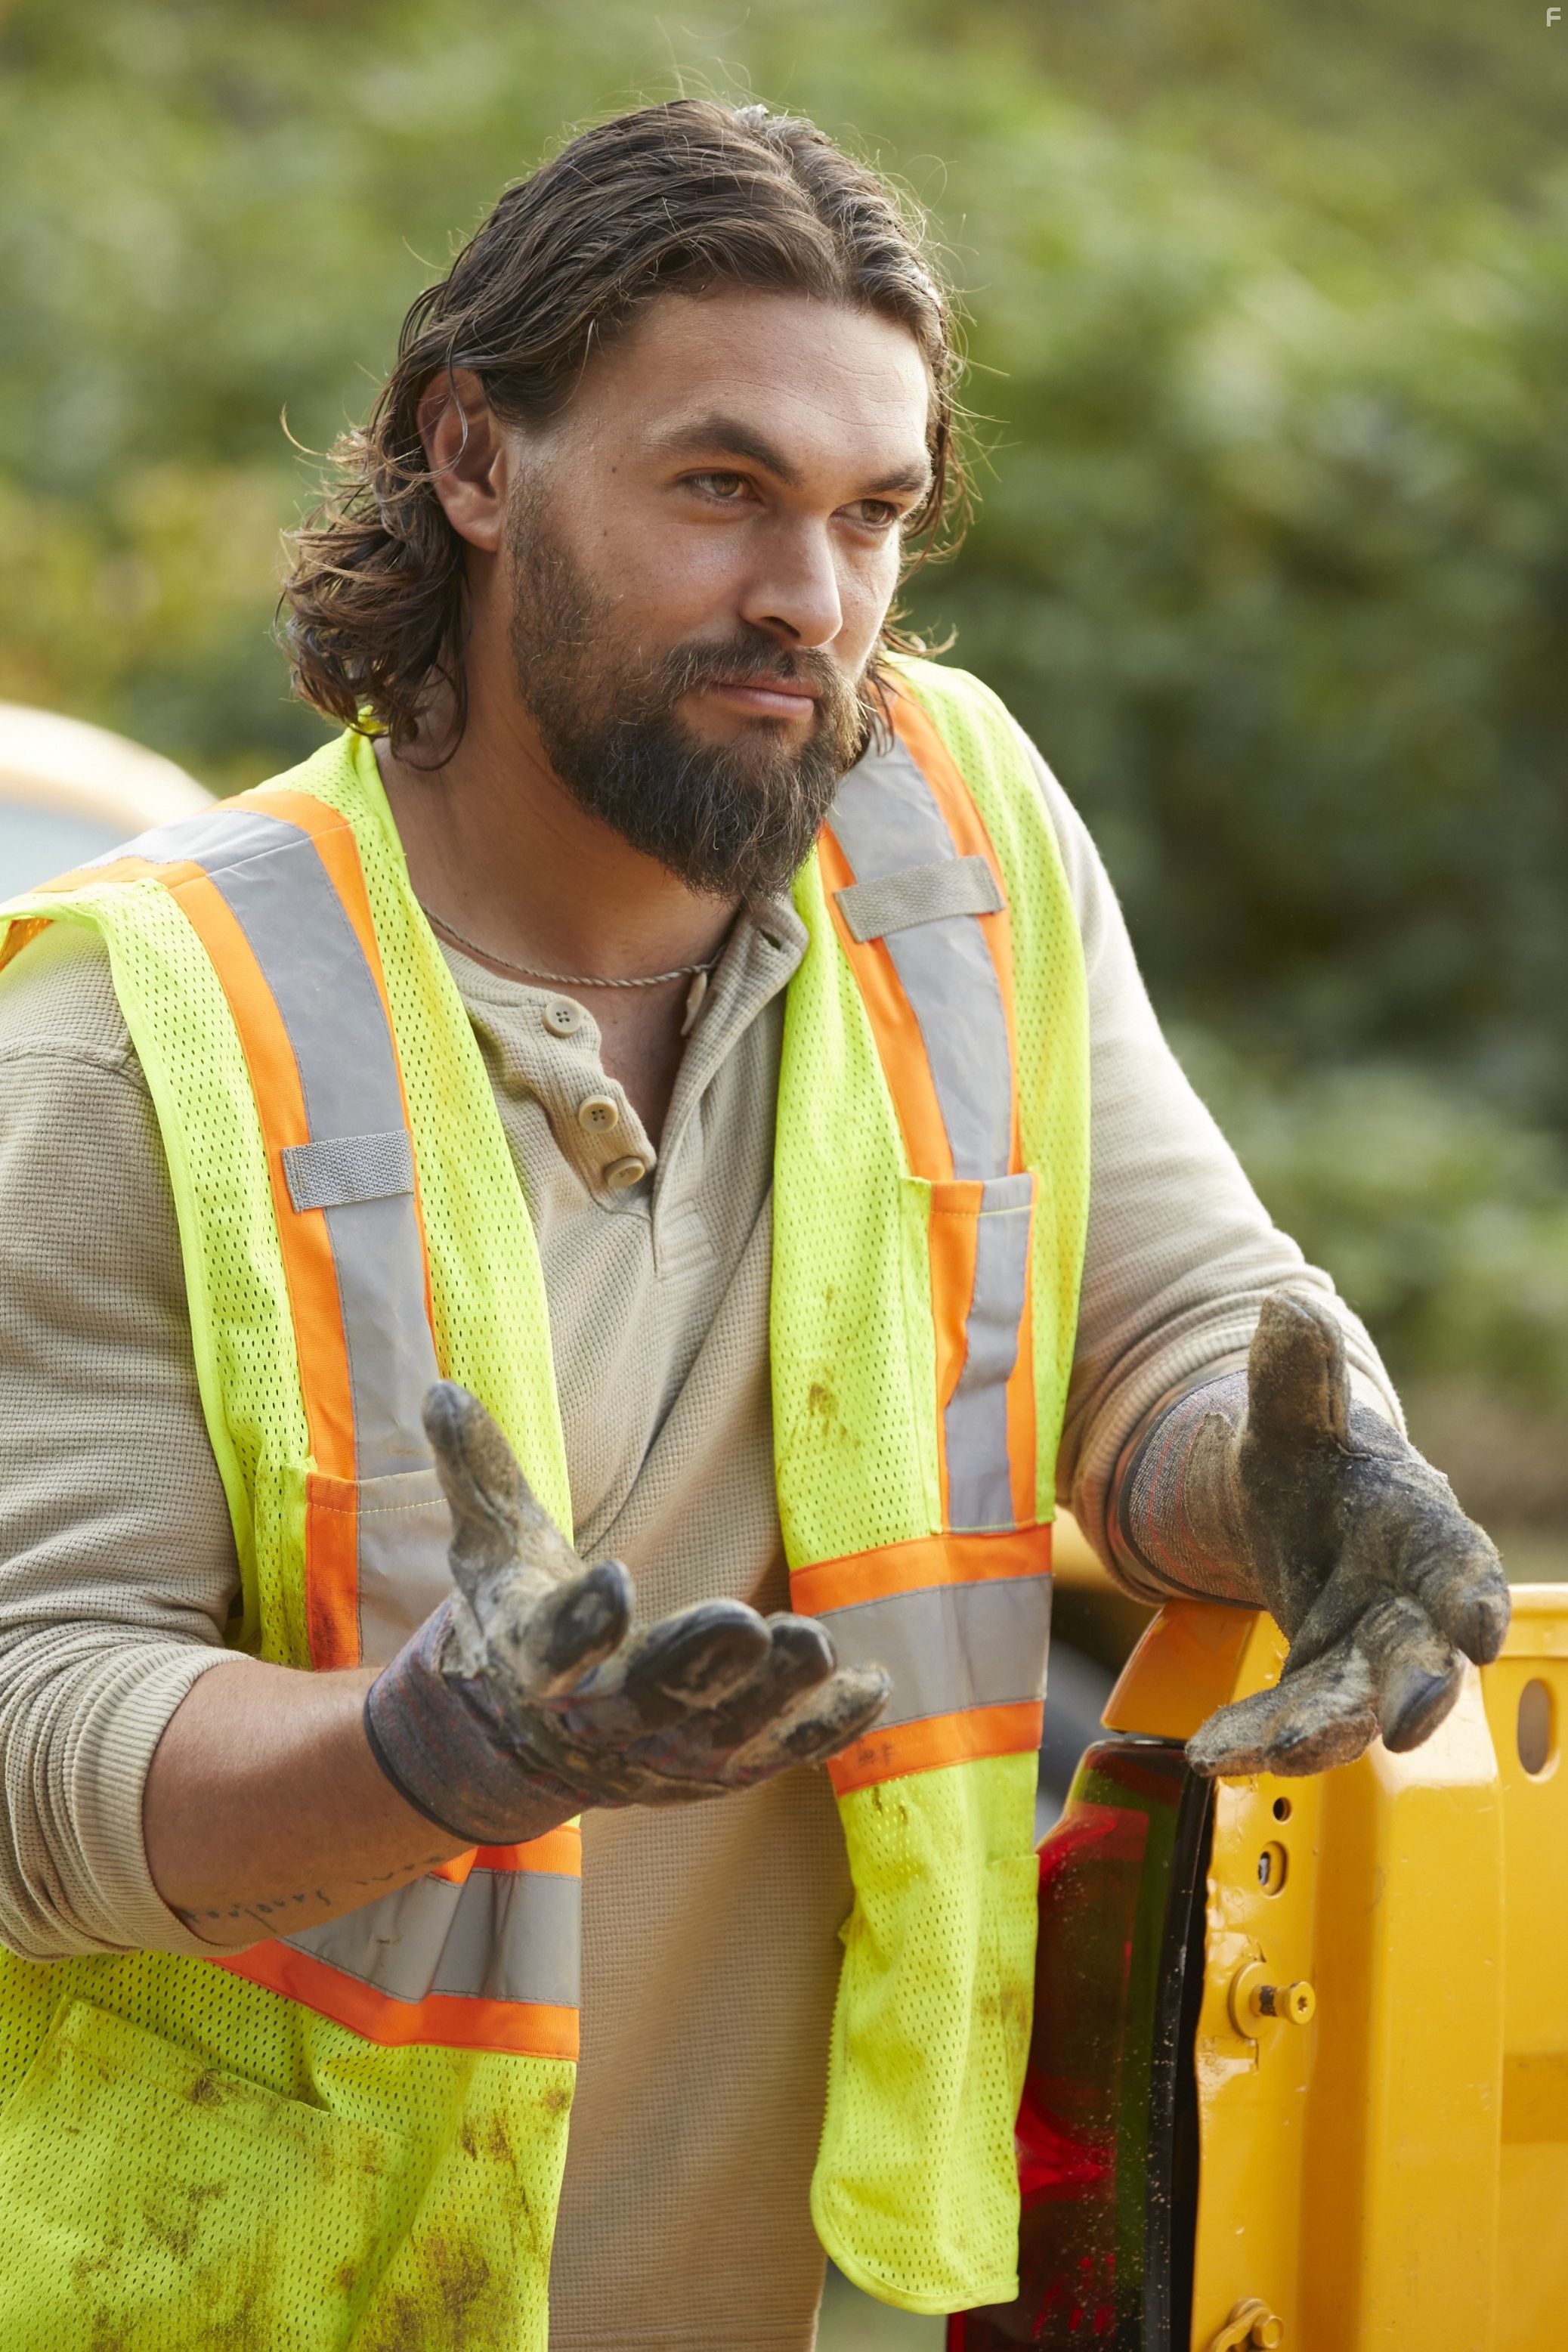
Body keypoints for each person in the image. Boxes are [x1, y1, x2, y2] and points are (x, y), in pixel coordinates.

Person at [0, 100, 1506, 2352]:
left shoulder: (955, 828)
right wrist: (432, 1758)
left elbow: (1174, 1341)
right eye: (721, 488)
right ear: (475, 463)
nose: (808, 596)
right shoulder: (148, 1034)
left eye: (870, 511)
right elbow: (30, 1741)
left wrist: (1294, 1483)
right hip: (253, 2291)